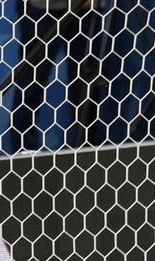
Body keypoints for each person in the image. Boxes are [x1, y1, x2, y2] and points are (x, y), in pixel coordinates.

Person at [12, 0, 96, 151]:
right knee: (31, 82)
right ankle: (24, 152)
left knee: (86, 85)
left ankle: (88, 149)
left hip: (85, 8)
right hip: (39, 6)